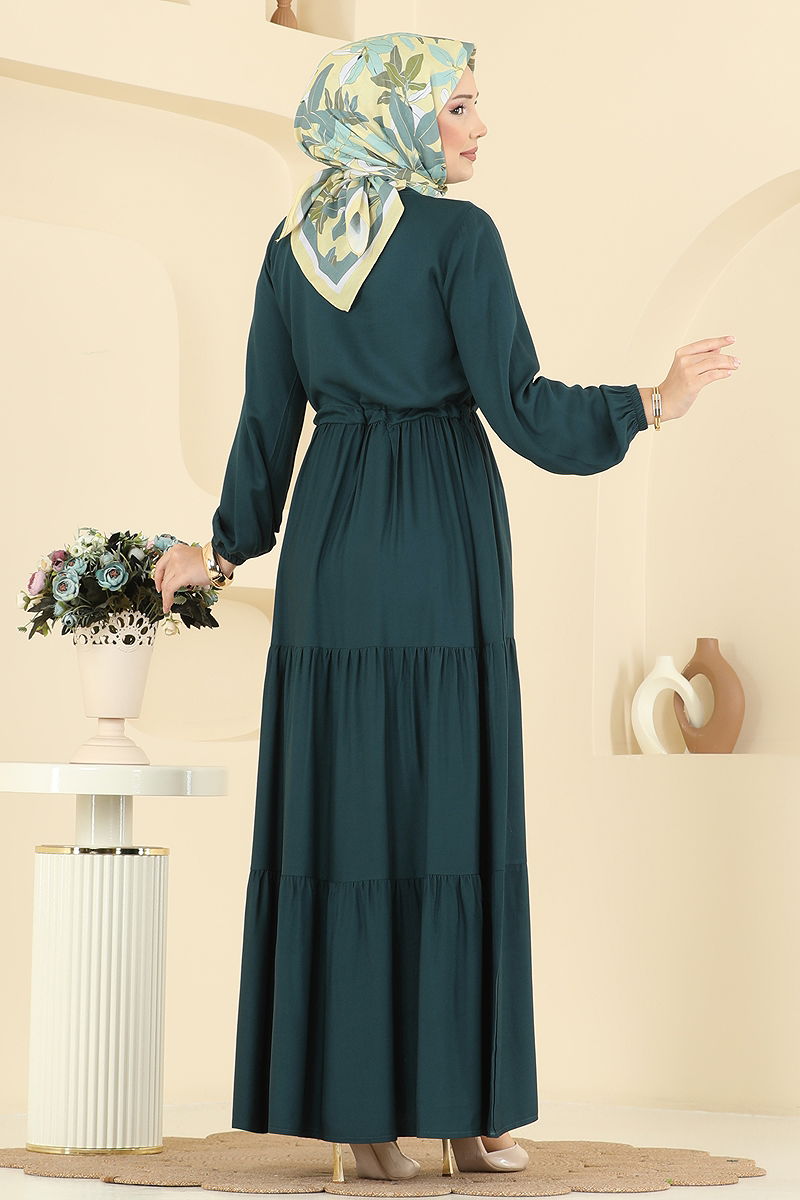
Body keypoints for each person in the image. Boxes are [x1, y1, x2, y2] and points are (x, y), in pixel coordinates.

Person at [153, 30, 741, 1186]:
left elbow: (266, 422)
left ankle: (372, 1117)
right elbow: (517, 406)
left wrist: (221, 550)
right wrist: (650, 400)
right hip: (435, 533)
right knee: (446, 806)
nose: (477, 126)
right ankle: (457, 1113)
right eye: (458, 105)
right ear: (396, 115)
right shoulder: (456, 237)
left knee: (351, 811)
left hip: (333, 540)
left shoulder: (292, 247)